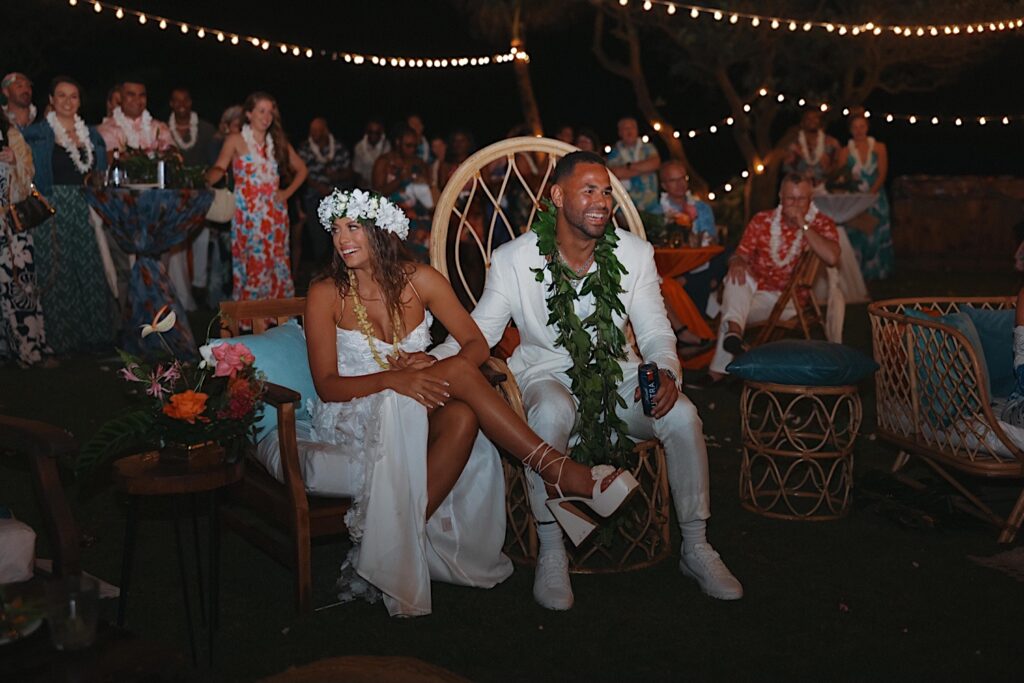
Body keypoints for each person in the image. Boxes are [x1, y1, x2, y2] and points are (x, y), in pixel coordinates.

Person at [302, 188, 637, 616]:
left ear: (381, 231)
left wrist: (423, 368)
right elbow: (328, 385)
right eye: (335, 229)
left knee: (461, 415)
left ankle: (388, 544)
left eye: (353, 228)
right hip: (355, 409)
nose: (341, 239)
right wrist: (397, 377)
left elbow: (477, 344)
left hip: (415, 403)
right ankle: (559, 472)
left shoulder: (421, 280)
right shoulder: (325, 292)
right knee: (459, 373)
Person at [432, 152, 743, 610]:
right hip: (546, 376)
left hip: (619, 379)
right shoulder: (514, 260)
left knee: (683, 416)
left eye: (607, 192)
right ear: (557, 196)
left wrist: (666, 371)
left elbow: (656, 331)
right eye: (589, 190)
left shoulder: (634, 255)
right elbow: (480, 333)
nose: (602, 201)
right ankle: (552, 549)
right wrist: (425, 361)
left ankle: (696, 545)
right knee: (551, 410)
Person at [707, 174, 840, 381]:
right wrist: (736, 261)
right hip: (753, 291)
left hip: (788, 301)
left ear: (810, 198)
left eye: (801, 199)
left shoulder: (821, 223)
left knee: (730, 310)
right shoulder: (762, 220)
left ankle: (718, 369)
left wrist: (803, 225)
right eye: (790, 199)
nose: (795, 204)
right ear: (780, 196)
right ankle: (734, 333)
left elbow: (832, 257)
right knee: (736, 275)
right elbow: (741, 253)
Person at [23, 76, 116, 354]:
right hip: (52, 205)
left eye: (73, 96)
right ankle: (62, 339)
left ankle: (97, 337)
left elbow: (99, 173)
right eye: (61, 96)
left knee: (90, 268)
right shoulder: (36, 134)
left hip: (85, 205)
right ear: (51, 100)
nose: (67, 101)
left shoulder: (92, 135)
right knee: (57, 271)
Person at [206, 91, 307, 302]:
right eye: (261, 111)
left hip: (274, 217)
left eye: (270, 112)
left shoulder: (277, 143)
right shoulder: (235, 139)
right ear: (249, 114)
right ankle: (253, 324)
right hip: (247, 216)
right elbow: (219, 166)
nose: (266, 116)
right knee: (252, 266)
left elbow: (302, 170)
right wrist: (205, 180)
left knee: (275, 265)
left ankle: (276, 324)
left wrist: (285, 193)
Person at [0, 113, 54, 367]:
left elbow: (28, 178)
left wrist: (13, 162)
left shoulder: (11, 133)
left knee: (21, 287)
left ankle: (30, 348)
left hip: (11, 226)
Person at [658, 160, 726, 326]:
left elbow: (712, 240)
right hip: (671, 268)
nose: (680, 184)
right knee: (695, 280)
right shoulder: (657, 210)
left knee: (727, 253)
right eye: (674, 180)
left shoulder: (702, 207)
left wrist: (706, 239)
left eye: (683, 178)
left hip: (700, 262)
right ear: (664, 185)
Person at [167, 87, 217, 310]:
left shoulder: (205, 129)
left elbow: (214, 161)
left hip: (200, 195)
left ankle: (199, 286)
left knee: (201, 238)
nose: (181, 104)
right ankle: (180, 290)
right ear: (171, 103)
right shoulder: (164, 130)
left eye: (185, 99)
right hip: (174, 196)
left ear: (191, 101)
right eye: (176, 100)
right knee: (177, 242)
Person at [835, 113, 892, 280]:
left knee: (877, 230)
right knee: (857, 232)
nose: (859, 131)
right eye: (855, 127)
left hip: (876, 196)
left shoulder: (879, 147)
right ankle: (857, 273)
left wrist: (871, 194)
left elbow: (882, 173)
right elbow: (841, 177)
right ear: (850, 130)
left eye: (862, 127)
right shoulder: (845, 152)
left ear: (867, 128)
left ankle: (879, 271)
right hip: (855, 198)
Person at [372, 125, 432, 260]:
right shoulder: (384, 162)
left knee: (422, 257)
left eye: (415, 146)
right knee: (397, 258)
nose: (412, 149)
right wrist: (400, 179)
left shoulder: (419, 163)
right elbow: (376, 193)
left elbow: (429, 189)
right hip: (393, 218)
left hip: (419, 218)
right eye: (408, 145)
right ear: (397, 143)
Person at [298, 117, 352, 268]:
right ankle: (321, 270)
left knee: (340, 235)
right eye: (312, 130)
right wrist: (319, 188)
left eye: (317, 130)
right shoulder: (304, 149)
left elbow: (349, 171)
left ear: (325, 131)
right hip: (313, 197)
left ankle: (341, 269)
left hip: (337, 198)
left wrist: (336, 176)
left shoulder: (339, 147)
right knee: (318, 238)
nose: (313, 133)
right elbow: (303, 174)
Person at [96, 79, 173, 157]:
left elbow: (174, 157)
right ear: (120, 97)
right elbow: (114, 159)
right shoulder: (106, 129)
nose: (137, 100)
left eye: (142, 95)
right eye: (131, 95)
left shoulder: (159, 128)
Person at [607, 117, 661, 213]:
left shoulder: (648, 147)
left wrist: (628, 167)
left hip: (651, 205)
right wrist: (644, 168)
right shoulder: (614, 152)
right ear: (619, 133)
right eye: (625, 128)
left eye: (632, 127)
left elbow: (655, 163)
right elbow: (615, 174)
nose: (629, 131)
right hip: (626, 210)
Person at [782, 110, 839, 187]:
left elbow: (838, 165)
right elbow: (787, 168)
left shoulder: (831, 142)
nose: (812, 121)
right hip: (800, 188)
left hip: (826, 187)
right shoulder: (794, 144)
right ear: (802, 123)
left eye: (815, 118)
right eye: (808, 119)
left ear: (820, 121)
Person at [352, 119, 389, 189]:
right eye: (370, 132)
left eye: (377, 132)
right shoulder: (359, 147)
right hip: (365, 187)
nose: (373, 135)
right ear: (366, 132)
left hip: (382, 187)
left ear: (382, 132)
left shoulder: (388, 147)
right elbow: (356, 171)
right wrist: (360, 181)